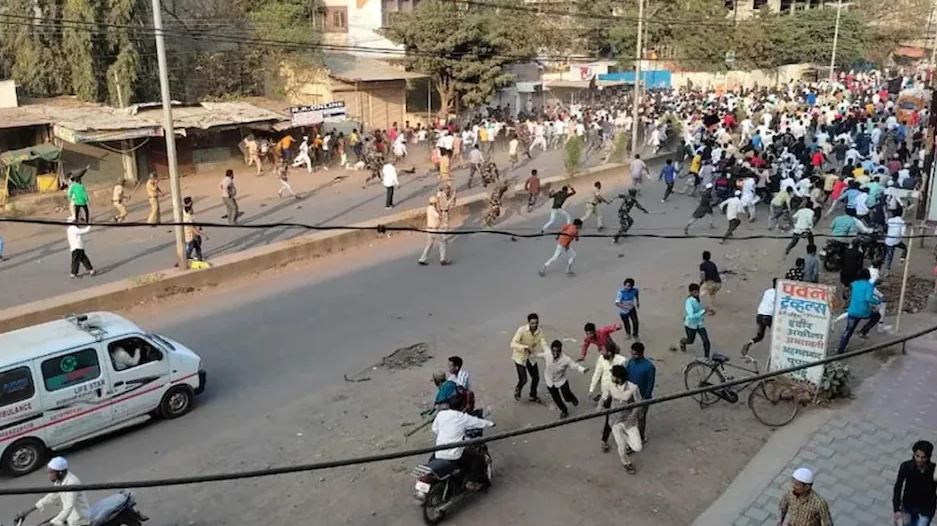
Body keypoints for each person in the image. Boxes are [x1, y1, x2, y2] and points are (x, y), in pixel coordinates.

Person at [430, 393, 494, 488]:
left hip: (439, 452)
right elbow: (478, 422)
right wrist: (491, 423)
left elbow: (435, 429)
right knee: (477, 459)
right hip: (455, 455)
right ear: (462, 406)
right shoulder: (462, 417)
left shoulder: (441, 414)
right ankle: (471, 481)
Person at [19, 457, 91, 526]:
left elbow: (69, 507)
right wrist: (29, 511)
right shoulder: (59, 481)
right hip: (68, 517)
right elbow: (52, 496)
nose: (49, 475)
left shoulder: (72, 483)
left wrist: (53, 522)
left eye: (51, 473)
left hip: (79, 521)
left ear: (60, 473)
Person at [605, 364, 643, 474]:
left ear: (619, 378)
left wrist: (632, 416)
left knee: (637, 447)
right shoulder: (610, 385)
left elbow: (639, 403)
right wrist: (600, 404)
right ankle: (626, 463)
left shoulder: (633, 388)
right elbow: (604, 397)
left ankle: (626, 439)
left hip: (629, 421)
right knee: (621, 447)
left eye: (613, 375)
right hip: (615, 421)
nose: (611, 377)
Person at [589, 342, 626, 453]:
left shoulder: (622, 361)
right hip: (605, 392)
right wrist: (591, 389)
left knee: (611, 417)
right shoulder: (601, 359)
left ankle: (604, 439)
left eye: (603, 350)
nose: (601, 352)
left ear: (610, 352)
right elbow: (597, 373)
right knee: (610, 416)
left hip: (616, 394)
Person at [537, 340, 588, 419]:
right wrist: (529, 352)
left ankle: (572, 398)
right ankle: (564, 410)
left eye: (557, 351)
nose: (555, 354)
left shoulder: (565, 359)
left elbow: (574, 365)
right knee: (556, 398)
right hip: (549, 380)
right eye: (554, 351)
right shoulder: (548, 354)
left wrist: (582, 369)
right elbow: (537, 354)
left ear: (560, 350)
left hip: (561, 379)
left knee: (566, 396)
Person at [892, 440, 936, 526]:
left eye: (923, 457)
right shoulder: (906, 467)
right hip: (908, 505)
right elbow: (898, 487)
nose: (919, 459)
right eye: (917, 456)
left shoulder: (934, 470)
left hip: (926, 509)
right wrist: (896, 509)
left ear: (928, 457)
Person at [837, 268, 881, 353]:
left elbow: (847, 293)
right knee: (877, 315)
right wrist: (877, 301)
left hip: (852, 311)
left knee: (848, 330)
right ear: (868, 276)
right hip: (864, 312)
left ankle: (841, 349)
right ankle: (864, 331)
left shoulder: (854, 284)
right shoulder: (869, 286)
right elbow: (868, 298)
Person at [510, 313, 548, 402]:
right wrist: (525, 347)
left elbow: (543, 343)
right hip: (520, 357)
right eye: (532, 323)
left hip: (531, 357)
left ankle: (533, 395)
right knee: (523, 379)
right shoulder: (521, 330)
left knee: (536, 377)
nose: (534, 325)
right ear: (528, 323)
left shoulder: (540, 332)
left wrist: (548, 353)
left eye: (536, 323)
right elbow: (512, 344)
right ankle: (518, 388)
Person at [625, 342, 655, 442]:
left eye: (634, 354)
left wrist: (645, 399)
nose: (633, 356)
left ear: (640, 353)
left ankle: (640, 437)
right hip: (629, 395)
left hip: (641, 398)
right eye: (632, 353)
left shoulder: (649, 367)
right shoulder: (631, 362)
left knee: (641, 418)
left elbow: (650, 385)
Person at [741, 279, 776, 358]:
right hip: (769, 316)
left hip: (760, 314)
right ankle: (774, 354)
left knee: (760, 336)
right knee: (776, 335)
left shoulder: (767, 291)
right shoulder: (779, 294)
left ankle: (749, 342)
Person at [679, 283, 714, 358]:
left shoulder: (698, 299)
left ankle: (706, 357)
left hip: (700, 324)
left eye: (698, 291)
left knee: (706, 340)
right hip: (691, 325)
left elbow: (700, 310)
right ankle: (683, 341)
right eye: (695, 292)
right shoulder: (689, 302)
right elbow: (691, 316)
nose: (697, 293)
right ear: (691, 292)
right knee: (690, 341)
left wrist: (708, 311)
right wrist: (703, 311)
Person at [418, 196, 451, 266]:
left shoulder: (429, 208)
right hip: (434, 230)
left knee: (429, 245)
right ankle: (443, 259)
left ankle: (422, 259)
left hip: (429, 229)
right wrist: (441, 212)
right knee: (442, 243)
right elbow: (438, 216)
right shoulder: (433, 209)